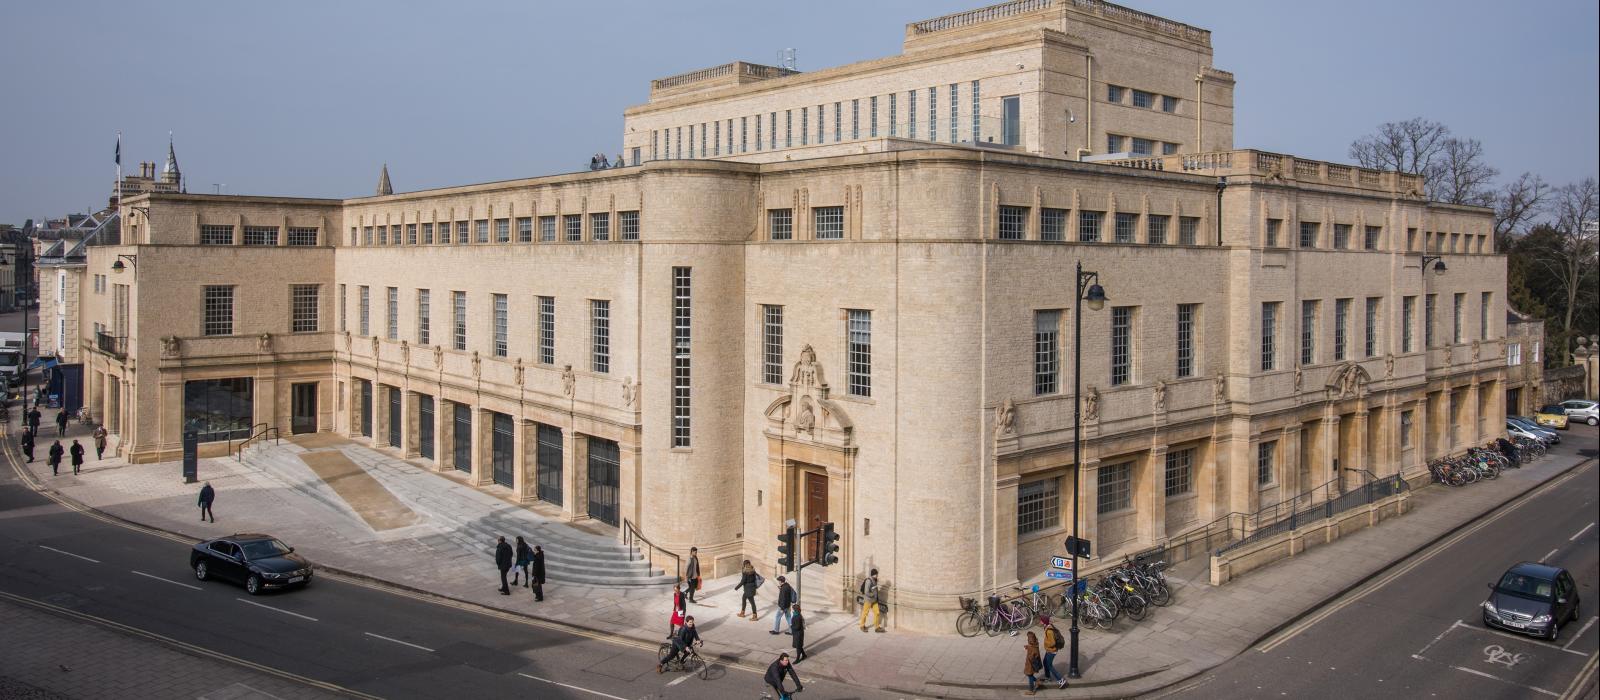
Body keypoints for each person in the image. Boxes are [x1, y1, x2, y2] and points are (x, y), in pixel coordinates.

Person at [1041, 616, 1068, 689]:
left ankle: (1061, 680)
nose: (1040, 622)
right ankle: (1048, 677)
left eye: (1041, 621)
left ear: (1044, 622)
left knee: (1049, 666)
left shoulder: (1049, 631)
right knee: (1045, 662)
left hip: (1052, 651)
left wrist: (1046, 644)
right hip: (1049, 650)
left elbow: (1052, 642)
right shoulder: (1048, 627)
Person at [859, 568, 885, 632]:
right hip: (868, 600)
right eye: (876, 574)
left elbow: (874, 589)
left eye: (877, 574)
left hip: (874, 600)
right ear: (873, 574)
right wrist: (872, 595)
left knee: (877, 613)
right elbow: (866, 592)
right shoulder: (869, 581)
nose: (877, 575)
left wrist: (875, 596)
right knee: (865, 613)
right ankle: (862, 626)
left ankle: (877, 627)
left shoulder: (875, 580)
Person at [1022, 631, 1043, 696]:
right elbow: (1032, 647)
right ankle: (1037, 681)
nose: (1027, 639)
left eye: (1028, 638)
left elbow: (1032, 656)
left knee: (1030, 676)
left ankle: (1031, 690)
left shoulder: (1032, 647)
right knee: (1029, 675)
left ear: (1030, 639)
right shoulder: (1035, 644)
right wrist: (1028, 647)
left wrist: (1029, 650)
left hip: (1030, 664)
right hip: (1031, 664)